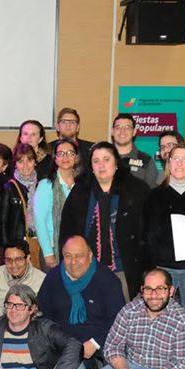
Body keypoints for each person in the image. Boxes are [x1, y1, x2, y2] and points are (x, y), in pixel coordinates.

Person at [59, 141, 150, 300]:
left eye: (106, 159)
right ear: (91, 167)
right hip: (87, 270)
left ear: (116, 163)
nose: (101, 165)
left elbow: (147, 234)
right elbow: (67, 233)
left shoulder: (137, 190)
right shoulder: (80, 192)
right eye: (96, 161)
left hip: (125, 270)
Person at [142, 144, 185, 309]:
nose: (179, 163)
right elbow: (146, 233)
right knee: (162, 312)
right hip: (163, 268)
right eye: (175, 159)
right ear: (168, 164)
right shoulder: (154, 195)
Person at [37, 236, 125, 366]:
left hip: (99, 340)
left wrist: (95, 342)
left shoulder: (107, 280)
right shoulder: (53, 277)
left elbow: (118, 320)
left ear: (90, 256)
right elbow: (44, 314)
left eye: (79, 256)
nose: (73, 262)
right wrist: (59, 341)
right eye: (68, 256)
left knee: (114, 362)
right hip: (64, 343)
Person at [33, 138, 79, 269]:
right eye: (60, 153)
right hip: (53, 249)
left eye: (70, 153)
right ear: (55, 159)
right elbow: (39, 221)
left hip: (77, 249)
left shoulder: (82, 185)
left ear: (76, 157)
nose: (65, 157)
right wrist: (48, 253)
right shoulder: (46, 185)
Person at [0, 240, 46, 322]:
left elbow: (41, 312)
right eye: (9, 260)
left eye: (18, 259)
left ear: (28, 258)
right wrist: (1, 324)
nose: (13, 264)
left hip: (29, 324)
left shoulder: (41, 279)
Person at [110, 113, 157, 186]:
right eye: (118, 127)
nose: (122, 131)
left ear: (134, 132)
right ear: (112, 131)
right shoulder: (101, 158)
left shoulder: (146, 161)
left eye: (127, 127)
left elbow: (150, 191)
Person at [54, 107, 94, 174]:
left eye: (72, 122)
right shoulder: (48, 150)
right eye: (64, 122)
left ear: (78, 127)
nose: (68, 125)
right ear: (57, 127)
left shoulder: (91, 149)